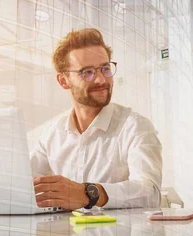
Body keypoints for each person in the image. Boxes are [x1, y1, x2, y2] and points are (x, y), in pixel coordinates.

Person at [30, 28, 162, 210]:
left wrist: (89, 193)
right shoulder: (53, 133)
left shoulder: (136, 126)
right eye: (87, 72)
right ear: (63, 81)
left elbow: (150, 193)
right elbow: (23, 184)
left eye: (105, 68)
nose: (101, 79)